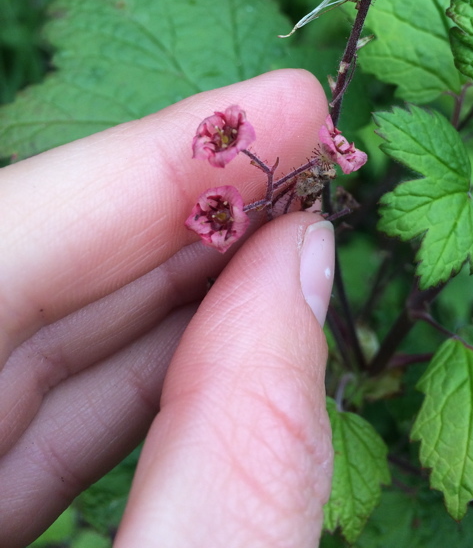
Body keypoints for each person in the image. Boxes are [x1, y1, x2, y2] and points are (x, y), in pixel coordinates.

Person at [0, 69, 336, 548]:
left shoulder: (233, 180)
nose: (223, 136)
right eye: (222, 137)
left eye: (228, 135)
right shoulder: (230, 195)